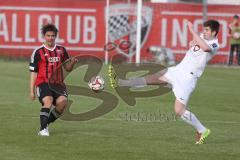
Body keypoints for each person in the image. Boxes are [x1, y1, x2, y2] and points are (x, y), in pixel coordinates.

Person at [109, 20, 220, 144]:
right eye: (204, 29)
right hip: (178, 70)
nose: (204, 32)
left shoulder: (215, 44)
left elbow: (205, 48)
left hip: (187, 78)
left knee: (178, 110)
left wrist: (191, 30)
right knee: (152, 78)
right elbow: (195, 46)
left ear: (214, 32)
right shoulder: (201, 37)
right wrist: (192, 43)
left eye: (207, 30)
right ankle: (121, 83)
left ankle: (202, 130)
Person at [29, 24, 77, 136]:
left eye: (53, 36)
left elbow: (67, 68)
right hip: (43, 83)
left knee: (62, 105)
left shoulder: (61, 50)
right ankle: (43, 129)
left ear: (56, 36)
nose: (50, 38)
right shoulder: (38, 52)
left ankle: (45, 124)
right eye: (48, 35)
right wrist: (31, 91)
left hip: (58, 84)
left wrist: (72, 63)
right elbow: (33, 72)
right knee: (48, 101)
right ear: (44, 36)